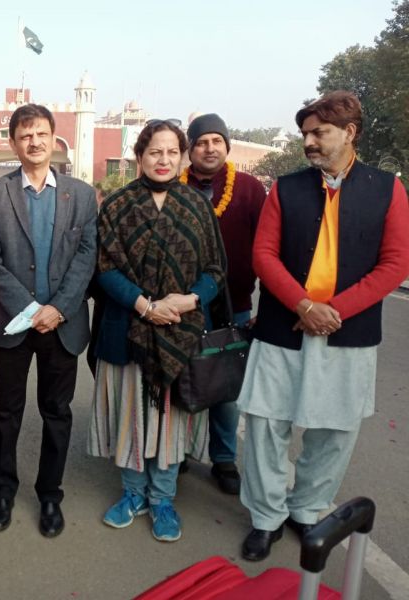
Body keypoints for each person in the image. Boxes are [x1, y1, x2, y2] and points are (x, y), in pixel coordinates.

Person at [239, 91, 409, 561]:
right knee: (266, 426)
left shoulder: (387, 188)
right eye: (305, 134)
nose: (309, 142)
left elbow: (395, 264)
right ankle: (265, 517)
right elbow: (263, 255)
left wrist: (334, 310)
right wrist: (302, 304)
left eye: (319, 133)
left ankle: (307, 508)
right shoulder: (287, 188)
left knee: (334, 432)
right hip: (282, 327)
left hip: (347, 332)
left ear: (350, 132)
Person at [87, 120, 226, 542]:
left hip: (180, 331)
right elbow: (104, 267)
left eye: (171, 152)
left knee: (170, 421)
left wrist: (190, 300)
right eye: (154, 152)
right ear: (139, 158)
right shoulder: (117, 205)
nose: (163, 160)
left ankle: (163, 498)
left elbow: (215, 268)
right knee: (131, 417)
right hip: (127, 328)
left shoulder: (196, 206)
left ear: (182, 158)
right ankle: (132, 494)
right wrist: (144, 305)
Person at [0, 104, 97, 538]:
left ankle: (50, 495)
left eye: (41, 133)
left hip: (62, 324)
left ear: (54, 138)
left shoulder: (81, 195)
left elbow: (86, 257)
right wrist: (29, 311)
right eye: (25, 135)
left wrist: (57, 308)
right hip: (13, 325)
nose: (34, 141)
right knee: (6, 411)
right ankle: (3, 491)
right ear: (13, 143)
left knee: (56, 412)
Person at [181, 114, 267, 494]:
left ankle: (223, 458)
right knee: (182, 379)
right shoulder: (175, 185)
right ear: (191, 149)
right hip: (182, 305)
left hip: (235, 305)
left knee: (226, 386)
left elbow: (267, 248)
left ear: (227, 146)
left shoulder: (248, 189)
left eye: (217, 140)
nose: (209, 148)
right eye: (201, 142)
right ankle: (177, 450)